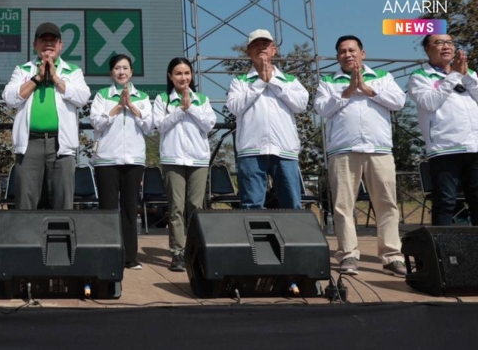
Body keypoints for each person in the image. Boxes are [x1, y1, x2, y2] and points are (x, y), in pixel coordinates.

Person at [314, 35, 407, 277]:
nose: (348, 55)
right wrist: (347, 91)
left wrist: (367, 89)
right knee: (343, 205)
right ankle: (348, 254)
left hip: (379, 149)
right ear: (337, 57)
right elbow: (322, 108)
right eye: (342, 51)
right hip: (343, 150)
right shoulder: (328, 81)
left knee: (386, 204)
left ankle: (392, 256)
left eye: (352, 50)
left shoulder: (383, 78)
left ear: (362, 53)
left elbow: (398, 102)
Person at [2, 22, 90, 210]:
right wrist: (38, 78)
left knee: (63, 199)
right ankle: (26, 240)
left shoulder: (72, 71)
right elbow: (10, 98)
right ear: (35, 45)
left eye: (53, 40)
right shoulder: (23, 70)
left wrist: (56, 78)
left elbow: (83, 98)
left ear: (60, 45)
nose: (48, 44)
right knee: (25, 200)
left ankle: (61, 238)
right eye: (44, 40)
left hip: (60, 144)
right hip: (30, 143)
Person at [226, 29, 309, 210]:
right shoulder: (239, 82)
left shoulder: (289, 80)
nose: (261, 48)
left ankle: (294, 239)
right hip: (251, 149)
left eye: (265, 45)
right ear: (248, 52)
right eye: (255, 45)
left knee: (292, 204)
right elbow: (234, 107)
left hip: (285, 150)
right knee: (252, 205)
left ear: (274, 50)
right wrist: (260, 82)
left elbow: (301, 105)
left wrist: (272, 81)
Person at [90, 54, 154, 270]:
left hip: (134, 160)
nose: (121, 72)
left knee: (129, 208)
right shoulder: (102, 95)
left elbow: (149, 127)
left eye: (125, 68)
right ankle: (107, 254)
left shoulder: (142, 97)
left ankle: (130, 257)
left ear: (132, 72)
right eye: (117, 68)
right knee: (107, 208)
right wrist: (117, 107)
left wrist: (132, 107)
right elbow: (96, 123)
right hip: (106, 160)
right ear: (111, 72)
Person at [408, 34, 478, 226]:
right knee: (445, 202)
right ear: (427, 49)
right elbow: (429, 103)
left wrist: (465, 76)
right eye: (439, 43)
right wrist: (454, 76)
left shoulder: (469, 73)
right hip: (444, 148)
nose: (446, 47)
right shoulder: (419, 76)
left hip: (474, 147)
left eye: (449, 43)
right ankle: (443, 253)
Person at [154, 58, 215, 272]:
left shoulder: (202, 99)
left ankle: (197, 250)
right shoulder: (163, 99)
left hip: (198, 159)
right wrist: (180, 109)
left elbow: (209, 124)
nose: (183, 78)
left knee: (196, 207)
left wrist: (191, 108)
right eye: (178, 73)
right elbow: (160, 125)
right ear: (170, 76)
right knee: (176, 208)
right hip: (172, 159)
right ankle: (177, 253)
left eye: (187, 73)